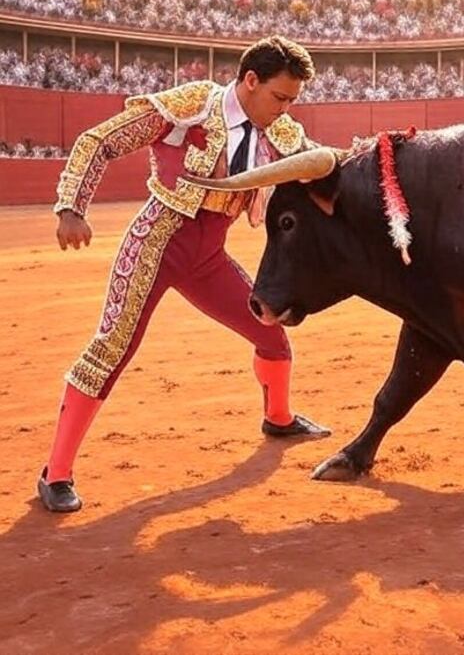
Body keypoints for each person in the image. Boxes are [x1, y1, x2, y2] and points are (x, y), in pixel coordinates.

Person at [38, 35, 331, 513]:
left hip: (208, 254)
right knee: (111, 348)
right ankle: (56, 473)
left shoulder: (282, 133)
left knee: (269, 328)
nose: (286, 110)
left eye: (293, 101)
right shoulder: (193, 105)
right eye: (280, 98)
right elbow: (101, 140)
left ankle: (278, 418)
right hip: (157, 242)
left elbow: (320, 162)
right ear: (250, 81)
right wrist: (71, 206)